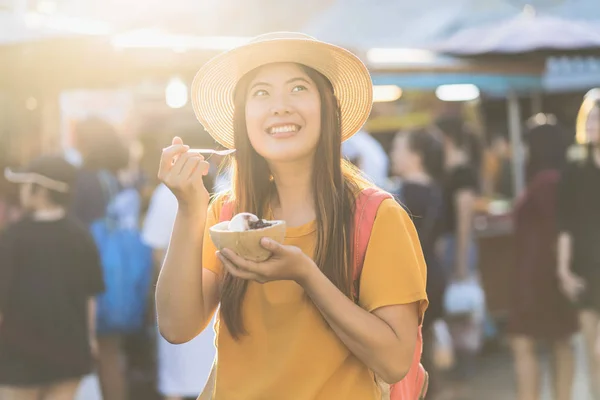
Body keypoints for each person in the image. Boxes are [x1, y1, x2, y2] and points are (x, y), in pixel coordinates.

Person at [155, 32, 428, 399]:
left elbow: (395, 361)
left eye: (298, 88)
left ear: (328, 107)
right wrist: (189, 208)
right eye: (261, 93)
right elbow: (176, 327)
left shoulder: (377, 216)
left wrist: (306, 275)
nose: (280, 106)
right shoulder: (228, 216)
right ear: (244, 118)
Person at [0, 155, 105, 400]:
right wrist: (90, 340)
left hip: (20, 357)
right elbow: (91, 294)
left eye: (26, 184)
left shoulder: (13, 238)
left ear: (42, 190)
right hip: (70, 352)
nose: (22, 190)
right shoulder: (81, 235)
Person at [142, 128, 222, 400]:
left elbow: (155, 250)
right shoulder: (227, 189)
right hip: (213, 310)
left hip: (181, 296)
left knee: (178, 380)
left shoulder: (166, 195)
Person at [507, 117, 577, 400]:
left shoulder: (545, 181)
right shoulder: (555, 179)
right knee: (559, 341)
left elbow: (556, 229)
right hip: (546, 274)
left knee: (526, 343)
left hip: (538, 277)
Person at [390, 129, 446, 399]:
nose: (393, 154)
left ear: (415, 156)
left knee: (412, 352)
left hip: (411, 276)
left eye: (398, 149)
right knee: (427, 348)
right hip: (433, 272)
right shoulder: (434, 188)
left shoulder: (404, 192)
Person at [433, 115, 484, 397]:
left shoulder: (462, 171)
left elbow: (465, 216)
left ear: (446, 138)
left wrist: (462, 259)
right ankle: (456, 364)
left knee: (462, 309)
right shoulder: (449, 168)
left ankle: (464, 368)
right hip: (450, 244)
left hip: (458, 244)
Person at [557, 93, 600, 399]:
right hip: (585, 268)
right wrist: (563, 270)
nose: (591, 124)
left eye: (597, 118)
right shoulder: (574, 169)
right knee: (592, 353)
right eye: (589, 118)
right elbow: (566, 225)